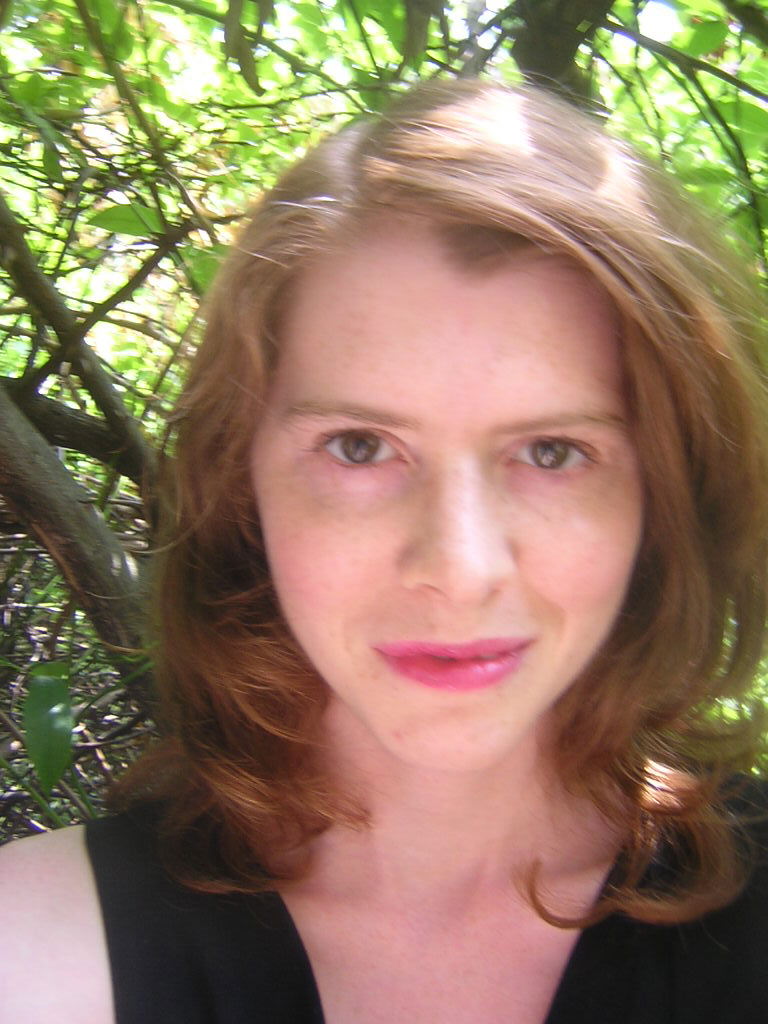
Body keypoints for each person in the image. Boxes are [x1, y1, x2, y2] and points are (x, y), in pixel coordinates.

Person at [1, 79, 767, 1024]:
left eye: (553, 452)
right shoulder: (29, 952)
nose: (459, 568)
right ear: (241, 483)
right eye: (360, 447)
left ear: (667, 499)